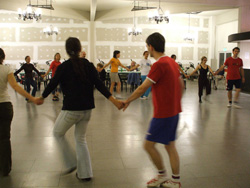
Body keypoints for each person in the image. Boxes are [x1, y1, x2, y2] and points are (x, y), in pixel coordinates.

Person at [37, 37, 123, 181]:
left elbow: (52, 83)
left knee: (58, 133)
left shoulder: (64, 67)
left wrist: (41, 97)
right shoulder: (88, 65)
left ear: (67, 50)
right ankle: (85, 173)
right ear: (79, 49)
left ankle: (71, 162)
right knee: (80, 139)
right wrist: (113, 100)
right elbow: (100, 84)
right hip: (87, 110)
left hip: (71, 109)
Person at [122, 33, 184, 188]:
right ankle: (175, 180)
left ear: (151, 47)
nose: (147, 49)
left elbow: (143, 87)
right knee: (170, 145)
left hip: (163, 114)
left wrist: (127, 101)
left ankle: (162, 175)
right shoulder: (172, 61)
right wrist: (176, 102)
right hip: (174, 112)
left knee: (148, 146)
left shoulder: (159, 65)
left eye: (146, 46)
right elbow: (181, 84)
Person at [0, 48, 42, 176]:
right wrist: (32, 98)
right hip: (5, 106)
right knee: (5, 138)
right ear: (2, 57)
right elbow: (15, 86)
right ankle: (5, 168)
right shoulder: (6, 69)